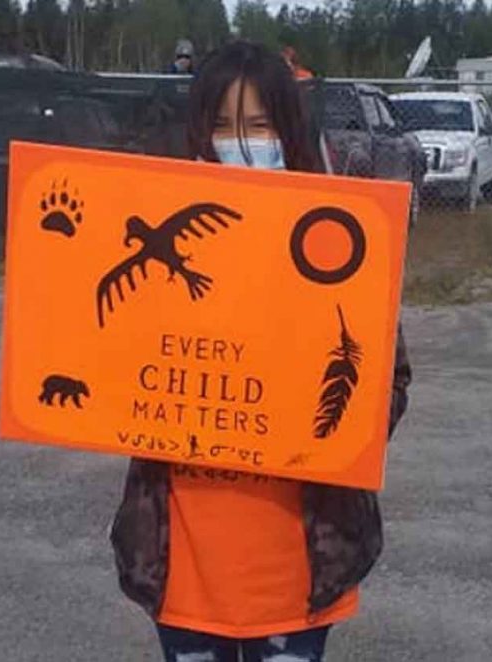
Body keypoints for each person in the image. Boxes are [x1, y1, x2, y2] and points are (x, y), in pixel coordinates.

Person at [110, 40, 411, 662]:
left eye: (257, 124)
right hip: (184, 562)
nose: (239, 142)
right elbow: (109, 367)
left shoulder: (337, 239)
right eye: (221, 126)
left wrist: (333, 426)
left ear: (288, 128)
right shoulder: (148, 233)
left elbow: (389, 382)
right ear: (197, 131)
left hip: (296, 567)